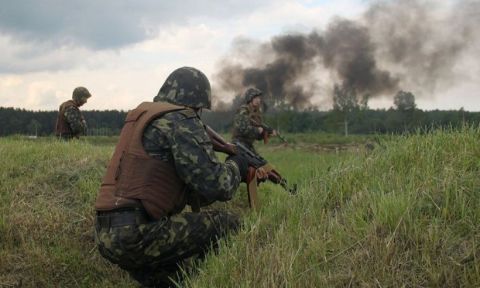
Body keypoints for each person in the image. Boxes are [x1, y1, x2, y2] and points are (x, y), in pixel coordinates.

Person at [94, 67, 248, 287]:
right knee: (227, 224)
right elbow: (218, 185)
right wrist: (237, 166)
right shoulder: (181, 120)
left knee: (174, 280)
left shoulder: (144, 117)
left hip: (107, 234)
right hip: (138, 233)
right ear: (197, 104)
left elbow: (191, 190)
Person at [231, 87, 277, 154]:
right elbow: (243, 129)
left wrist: (267, 134)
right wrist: (257, 130)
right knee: (255, 163)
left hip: (248, 145)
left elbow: (257, 136)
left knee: (260, 162)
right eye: (256, 98)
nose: (258, 100)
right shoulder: (243, 111)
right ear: (250, 99)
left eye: (259, 98)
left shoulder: (256, 113)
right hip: (239, 144)